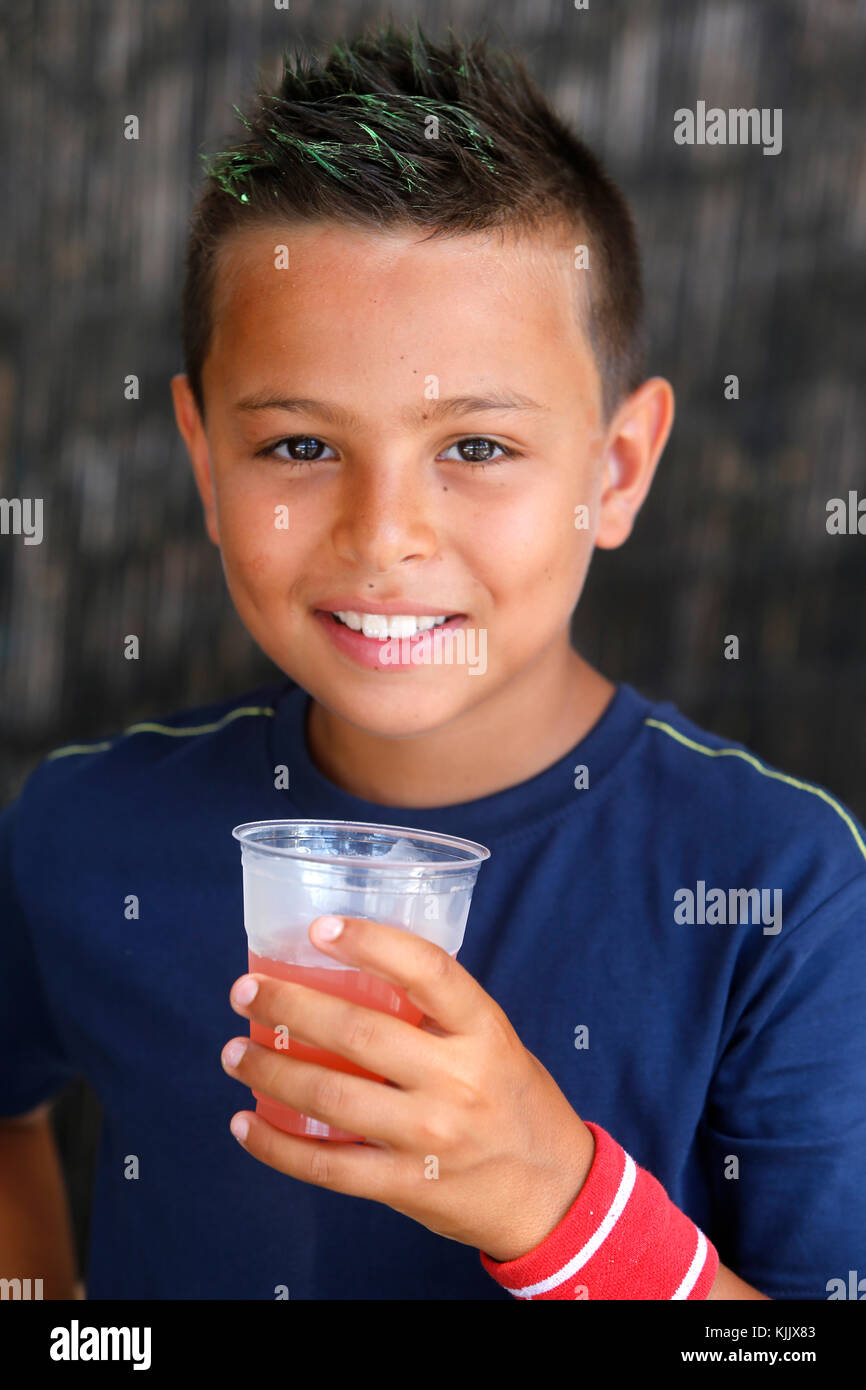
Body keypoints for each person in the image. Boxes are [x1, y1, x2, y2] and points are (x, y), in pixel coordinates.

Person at [2, 21, 864, 1301]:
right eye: (297, 446)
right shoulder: (81, 829)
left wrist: (550, 1199)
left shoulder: (779, 889)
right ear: (200, 458)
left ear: (615, 470)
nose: (383, 537)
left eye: (475, 447)